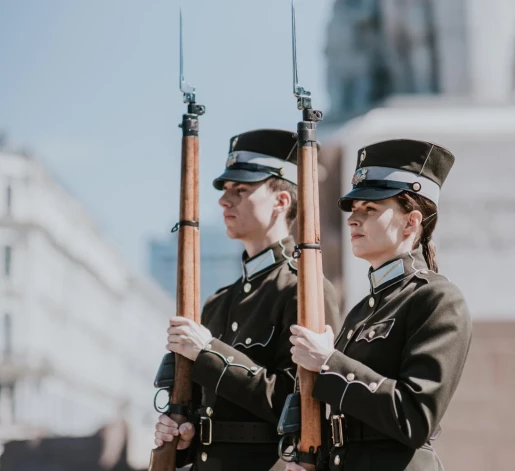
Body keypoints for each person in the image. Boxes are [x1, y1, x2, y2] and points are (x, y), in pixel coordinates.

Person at [153, 129, 341, 470]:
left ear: (281, 202)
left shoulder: (303, 291)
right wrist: (182, 432)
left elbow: (297, 400)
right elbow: (204, 407)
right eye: (225, 191)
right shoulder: (218, 302)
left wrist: (208, 353)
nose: (225, 201)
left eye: (241, 190)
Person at [286, 139, 472, 470]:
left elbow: (415, 417)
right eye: (354, 209)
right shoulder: (362, 311)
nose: (353, 220)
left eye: (370, 209)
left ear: (411, 222)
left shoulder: (437, 299)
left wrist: (329, 362)